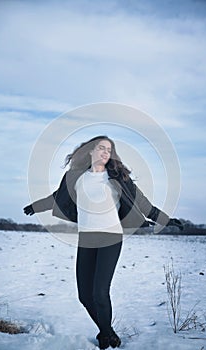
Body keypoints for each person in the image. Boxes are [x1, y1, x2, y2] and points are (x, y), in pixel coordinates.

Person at [23, 135, 183, 349]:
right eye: (101, 148)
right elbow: (57, 197)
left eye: (109, 149)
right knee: (84, 296)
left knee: (99, 292)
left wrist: (166, 220)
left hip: (111, 238)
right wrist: (36, 206)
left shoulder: (118, 179)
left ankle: (106, 338)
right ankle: (108, 332)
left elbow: (145, 205)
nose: (106, 152)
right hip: (86, 238)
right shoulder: (75, 177)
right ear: (90, 151)